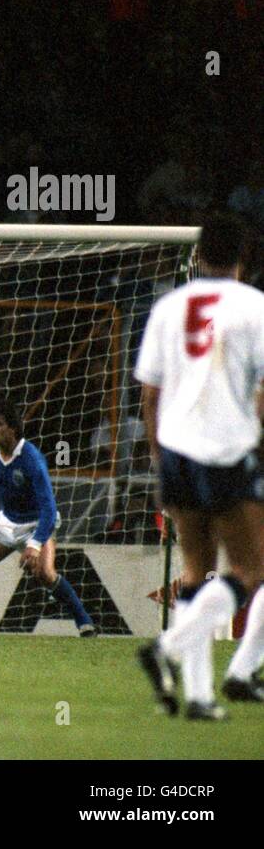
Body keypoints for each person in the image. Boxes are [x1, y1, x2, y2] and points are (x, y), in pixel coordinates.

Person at [135, 214, 264, 719]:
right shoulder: (254, 307)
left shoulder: (168, 306)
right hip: (227, 452)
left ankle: (200, 696)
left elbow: (149, 394)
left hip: (175, 455)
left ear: (198, 254)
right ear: (243, 257)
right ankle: (166, 649)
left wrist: (156, 454)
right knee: (251, 568)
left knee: (195, 569)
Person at [0, 395, 96, 637]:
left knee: (45, 574)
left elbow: (49, 510)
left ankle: (85, 624)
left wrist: (34, 545)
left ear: (13, 429)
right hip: (7, 522)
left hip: (37, 524)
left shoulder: (32, 459)